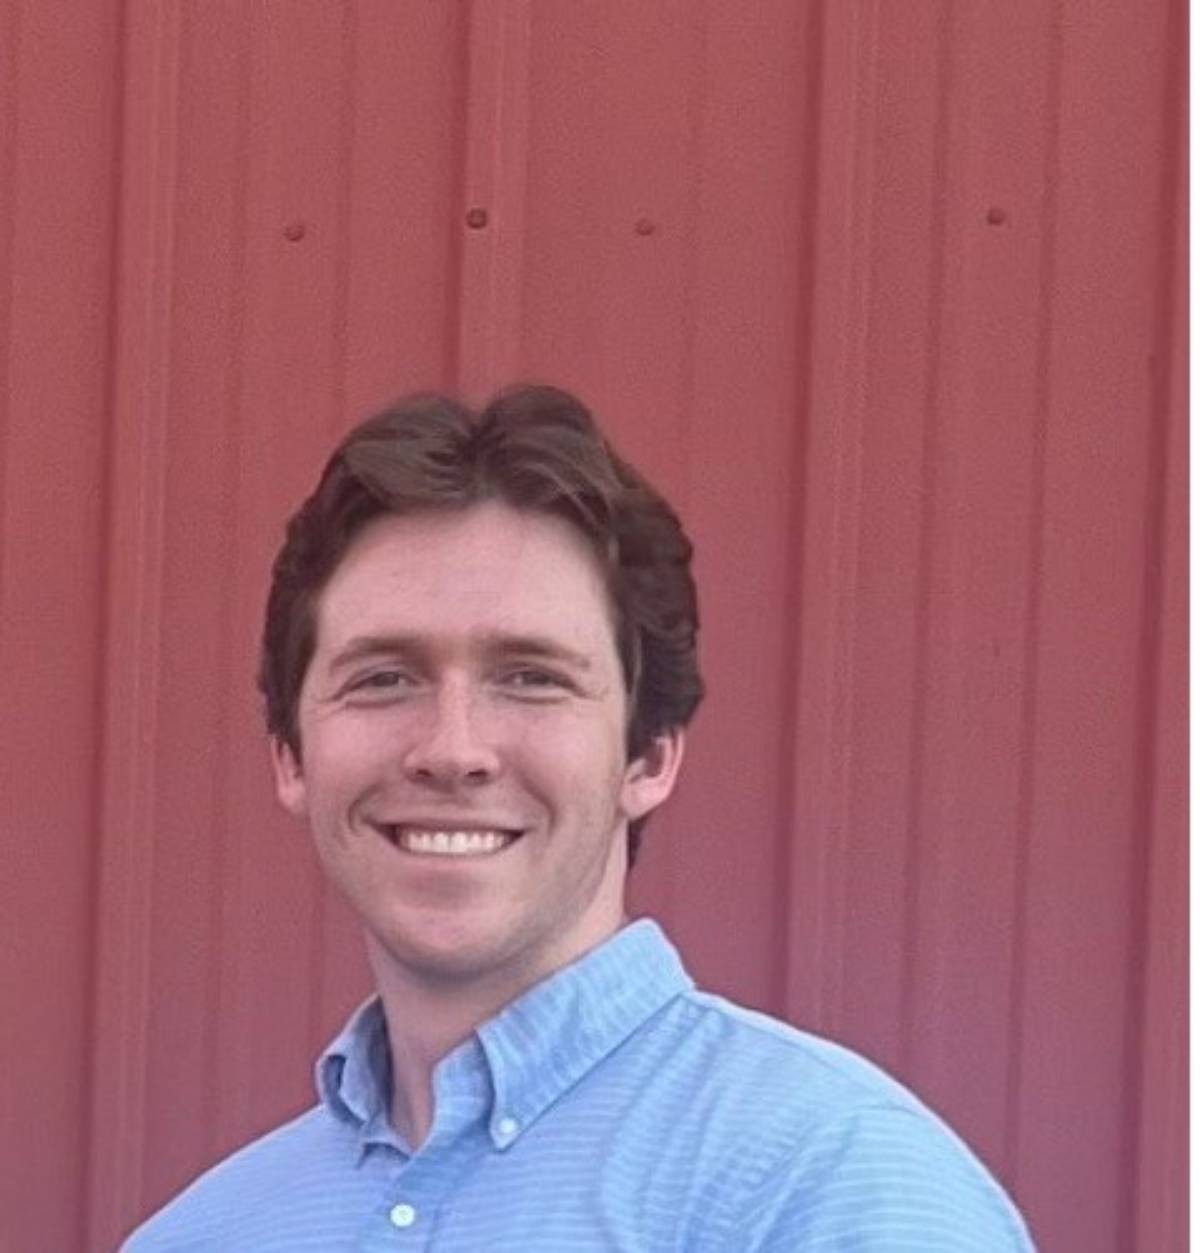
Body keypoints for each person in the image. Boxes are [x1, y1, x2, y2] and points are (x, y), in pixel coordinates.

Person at [122, 385, 1035, 1250]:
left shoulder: (829, 1190)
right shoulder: (205, 1234)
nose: (453, 747)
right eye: (383, 678)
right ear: (290, 754)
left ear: (649, 754)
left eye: (531, 677)